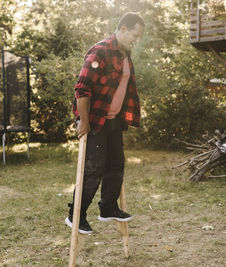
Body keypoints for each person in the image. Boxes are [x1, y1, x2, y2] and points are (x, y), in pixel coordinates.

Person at [65, 12, 145, 234]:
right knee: (94, 168)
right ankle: (75, 215)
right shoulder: (99, 50)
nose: (136, 40)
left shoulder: (125, 54)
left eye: (139, 37)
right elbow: (82, 88)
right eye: (134, 35)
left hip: (114, 120)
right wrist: (83, 120)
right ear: (122, 29)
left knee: (116, 165)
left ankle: (108, 208)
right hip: (95, 120)